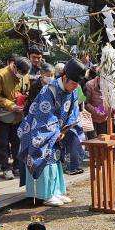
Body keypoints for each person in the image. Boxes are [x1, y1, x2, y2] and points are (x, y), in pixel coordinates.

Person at [18, 58, 85, 207]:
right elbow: (44, 116)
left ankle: (55, 190)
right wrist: (55, 133)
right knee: (45, 158)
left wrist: (66, 131)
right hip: (38, 131)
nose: (75, 87)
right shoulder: (49, 90)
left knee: (56, 158)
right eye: (73, 83)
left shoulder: (73, 91)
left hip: (58, 131)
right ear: (65, 77)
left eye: (77, 84)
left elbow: (74, 114)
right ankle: (46, 194)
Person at [0, 55, 30, 180]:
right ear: (14, 66)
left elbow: (27, 91)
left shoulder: (26, 75)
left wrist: (24, 101)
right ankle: (5, 168)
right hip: (2, 115)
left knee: (17, 141)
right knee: (2, 142)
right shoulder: (1, 74)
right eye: (20, 72)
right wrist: (10, 105)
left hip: (18, 115)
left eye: (24, 74)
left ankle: (17, 166)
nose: (22, 75)